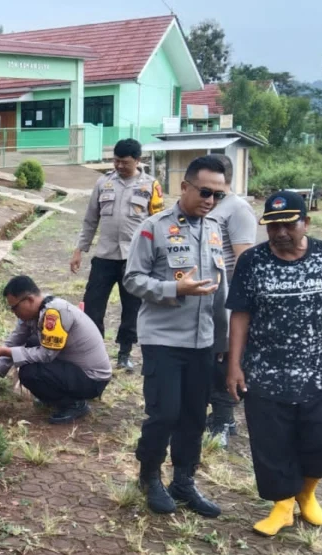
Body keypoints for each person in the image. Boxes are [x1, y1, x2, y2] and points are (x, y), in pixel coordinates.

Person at [225, 192, 322, 536]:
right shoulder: (252, 261)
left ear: (306, 223)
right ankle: (283, 505)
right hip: (266, 372)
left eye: (289, 223)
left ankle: (307, 493)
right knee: (272, 443)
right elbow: (240, 315)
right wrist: (235, 364)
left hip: (318, 370)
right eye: (273, 225)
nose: (281, 232)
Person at [123, 155, 228, 517]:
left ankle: (183, 481)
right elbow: (133, 279)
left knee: (194, 417)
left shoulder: (214, 229)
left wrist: (223, 342)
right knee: (164, 414)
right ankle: (149, 475)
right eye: (204, 191)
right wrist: (175, 288)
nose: (210, 200)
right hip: (163, 340)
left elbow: (220, 291)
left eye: (218, 195)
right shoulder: (153, 227)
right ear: (184, 187)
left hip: (202, 341)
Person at [71, 138, 164, 372]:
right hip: (105, 256)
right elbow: (91, 219)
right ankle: (94, 350)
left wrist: (158, 258)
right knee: (93, 305)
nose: (119, 166)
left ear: (138, 160)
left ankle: (124, 352)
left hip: (135, 259)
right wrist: (79, 250)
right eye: (116, 161)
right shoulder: (104, 183)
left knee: (132, 307)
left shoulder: (150, 185)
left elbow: (158, 223)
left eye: (125, 162)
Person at [0, 275, 112, 424]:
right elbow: (14, 342)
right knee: (30, 345)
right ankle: (57, 397)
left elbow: (46, 355)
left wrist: (5, 352)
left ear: (29, 300)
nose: (13, 312)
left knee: (30, 372)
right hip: (75, 371)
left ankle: (75, 404)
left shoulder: (55, 313)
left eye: (14, 307)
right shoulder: (35, 313)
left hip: (92, 378)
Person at [204, 154, 258, 446]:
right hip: (205, 298)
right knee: (210, 358)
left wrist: (237, 306)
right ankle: (218, 415)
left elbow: (243, 260)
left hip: (226, 299)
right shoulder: (210, 205)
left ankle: (224, 420)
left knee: (225, 358)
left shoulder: (237, 210)